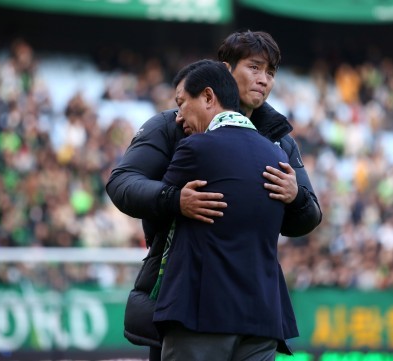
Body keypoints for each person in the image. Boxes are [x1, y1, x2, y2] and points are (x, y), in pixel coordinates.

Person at [105, 30, 322, 359]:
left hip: (253, 304)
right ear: (226, 69)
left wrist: (297, 197)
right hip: (186, 296)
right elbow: (121, 182)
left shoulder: (280, 142)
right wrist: (174, 199)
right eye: (254, 67)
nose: (263, 79)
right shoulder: (175, 124)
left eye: (271, 72)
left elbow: (309, 217)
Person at [152, 58, 290, 361]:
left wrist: (176, 201)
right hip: (263, 317)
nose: (178, 118)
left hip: (202, 314)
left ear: (208, 97)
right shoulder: (277, 153)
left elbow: (156, 210)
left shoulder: (195, 148)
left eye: (181, 103)